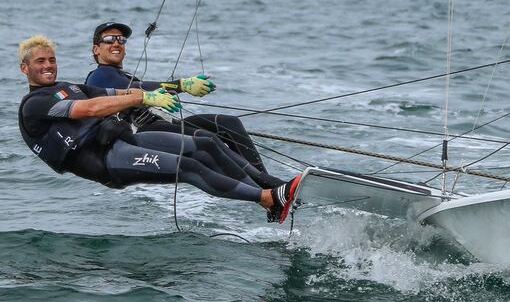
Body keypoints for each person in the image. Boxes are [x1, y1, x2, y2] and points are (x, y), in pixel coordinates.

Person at [17, 35, 300, 223]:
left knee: (201, 146)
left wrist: (180, 86)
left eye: (51, 59)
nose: (48, 65)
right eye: (40, 61)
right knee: (186, 166)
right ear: (24, 68)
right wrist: (142, 99)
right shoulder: (35, 104)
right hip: (106, 161)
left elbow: (128, 89)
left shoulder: (71, 87)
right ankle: (266, 197)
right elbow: (91, 108)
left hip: (122, 141)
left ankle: (273, 195)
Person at [84, 21, 270, 175]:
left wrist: (174, 90)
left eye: (121, 40)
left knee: (228, 123)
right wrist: (182, 85)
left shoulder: (120, 74)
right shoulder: (99, 75)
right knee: (207, 139)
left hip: (159, 123)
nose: (116, 43)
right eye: (108, 40)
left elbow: (143, 88)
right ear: (96, 49)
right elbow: (138, 89)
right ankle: (267, 188)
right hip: (141, 134)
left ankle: (266, 181)